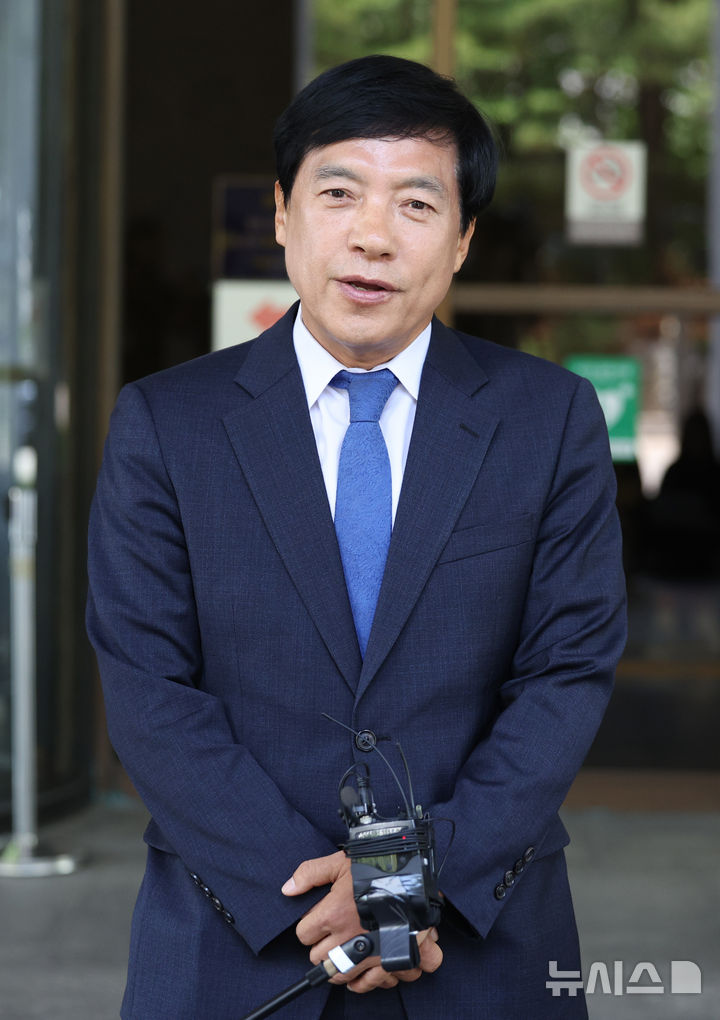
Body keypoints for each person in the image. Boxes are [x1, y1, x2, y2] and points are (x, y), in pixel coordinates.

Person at [87, 55, 626, 1020]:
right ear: (283, 213)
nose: (372, 235)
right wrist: (319, 902)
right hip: (232, 940)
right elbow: (147, 688)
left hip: (481, 946)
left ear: (461, 241)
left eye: (416, 204)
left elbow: (567, 674)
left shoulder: (548, 420)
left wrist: (407, 880)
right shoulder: (168, 424)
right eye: (339, 193)